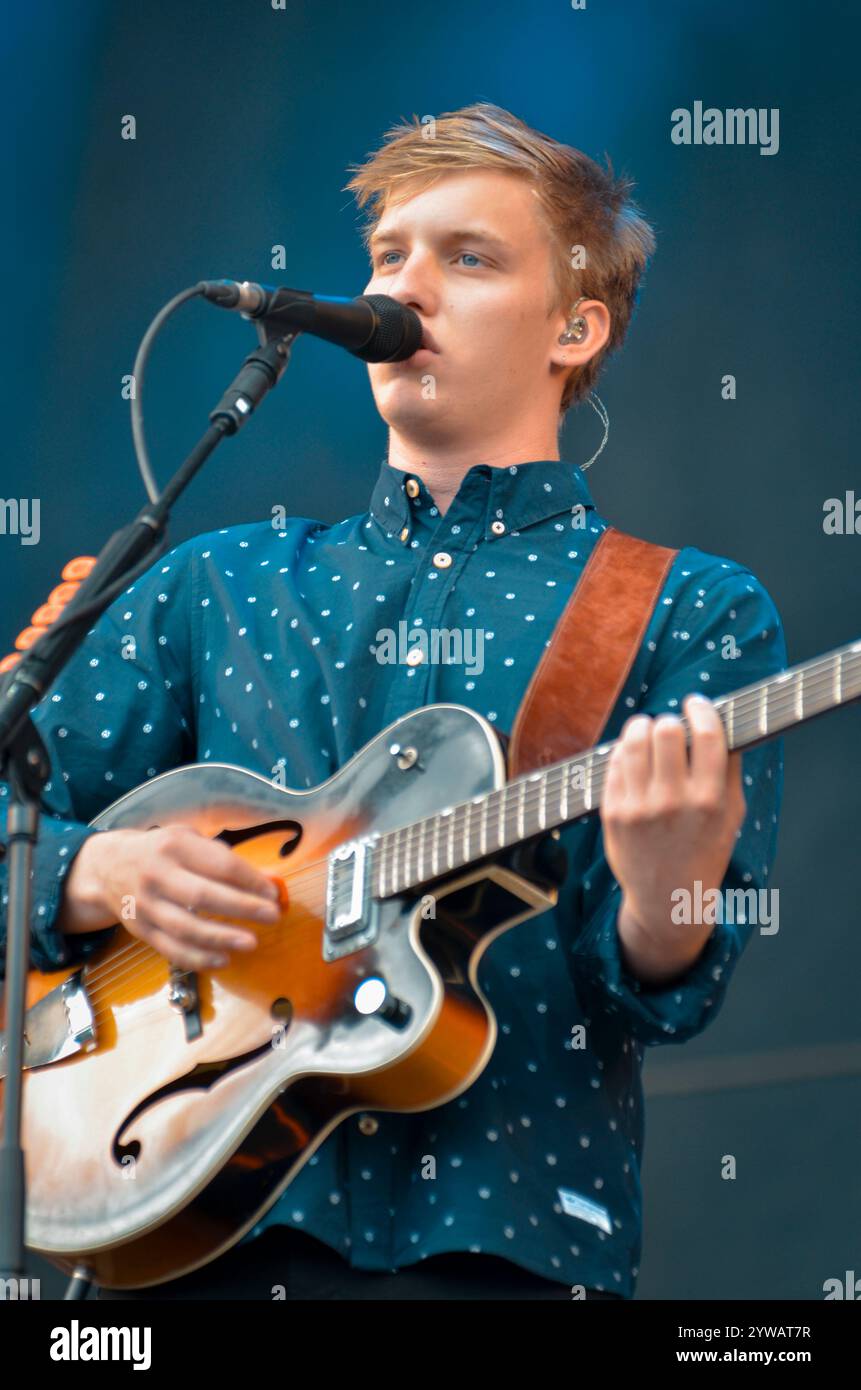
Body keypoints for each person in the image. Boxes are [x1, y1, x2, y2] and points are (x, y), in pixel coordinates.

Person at [0, 103, 785, 1301]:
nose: (408, 284)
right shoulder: (218, 581)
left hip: (501, 1246)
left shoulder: (689, 609)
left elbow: (662, 984)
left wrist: (664, 884)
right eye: (388, 257)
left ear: (575, 325)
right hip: (183, 1227)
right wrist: (93, 875)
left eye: (467, 257)